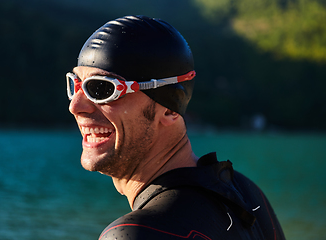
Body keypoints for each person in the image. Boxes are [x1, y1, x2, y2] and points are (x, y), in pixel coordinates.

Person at [66, 15, 285, 240]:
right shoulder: (245, 194)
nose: (76, 106)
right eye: (76, 85)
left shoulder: (136, 235)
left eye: (101, 88)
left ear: (170, 109)